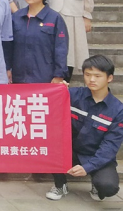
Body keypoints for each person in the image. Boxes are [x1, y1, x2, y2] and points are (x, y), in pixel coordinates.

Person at [47, 55, 123, 202]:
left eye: (97, 76)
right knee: (47, 144)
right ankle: (60, 185)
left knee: (108, 186)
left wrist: (88, 167)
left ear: (110, 78)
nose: (91, 79)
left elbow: (110, 146)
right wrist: (57, 91)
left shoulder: (118, 110)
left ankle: (96, 183)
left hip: (97, 155)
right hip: (70, 152)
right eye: (87, 75)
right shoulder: (73, 95)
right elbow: (48, 107)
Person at [9, 0, 68, 84]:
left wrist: (59, 74)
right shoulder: (16, 17)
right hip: (19, 76)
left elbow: (61, 48)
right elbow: (9, 46)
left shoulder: (54, 18)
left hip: (45, 77)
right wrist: (8, 69)